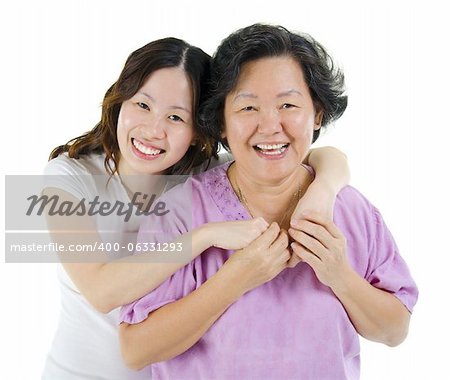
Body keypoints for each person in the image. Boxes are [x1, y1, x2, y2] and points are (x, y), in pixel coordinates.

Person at [118, 24, 419, 380]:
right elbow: (136, 350)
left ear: (317, 114)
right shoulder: (182, 212)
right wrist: (235, 278)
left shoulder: (351, 210)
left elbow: (394, 331)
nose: (270, 126)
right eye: (248, 108)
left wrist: (339, 274)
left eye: (288, 104)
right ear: (222, 123)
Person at [41, 37, 350, 379]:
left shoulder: (204, 174)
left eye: (175, 116)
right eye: (142, 105)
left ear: (198, 131)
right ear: (119, 101)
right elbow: (102, 292)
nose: (153, 130)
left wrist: (323, 191)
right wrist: (204, 236)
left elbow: (320, 156)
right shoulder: (69, 177)